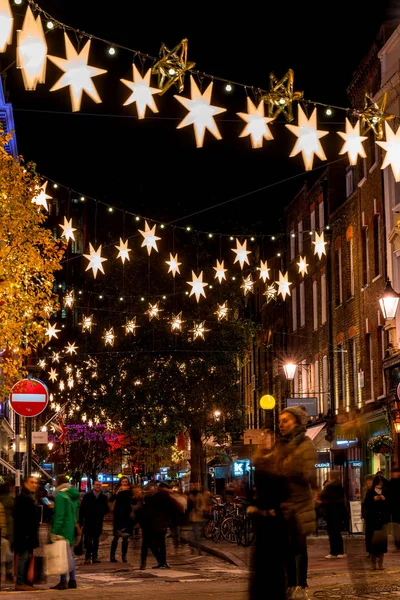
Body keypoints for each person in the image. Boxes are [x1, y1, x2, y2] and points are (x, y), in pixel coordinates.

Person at [276, 406, 317, 600]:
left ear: (298, 422)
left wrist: (285, 468)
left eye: (286, 420)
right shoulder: (281, 445)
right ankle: (290, 584)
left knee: (299, 547)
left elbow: (306, 473)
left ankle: (301, 585)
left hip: (300, 504)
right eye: (280, 421)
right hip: (285, 505)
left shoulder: (305, 444)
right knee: (287, 547)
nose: (281, 424)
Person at [249, 435, 288, 600]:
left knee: (274, 562)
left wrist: (275, 509)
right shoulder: (258, 464)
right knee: (263, 562)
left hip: (274, 518)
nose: (266, 440)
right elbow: (255, 490)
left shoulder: (278, 464)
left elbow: (282, 489)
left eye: (269, 437)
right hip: (264, 518)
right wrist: (253, 506)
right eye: (263, 437)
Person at [50, 476, 80, 590]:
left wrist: (54, 531)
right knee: (70, 555)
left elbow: (59, 516)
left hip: (63, 529)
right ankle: (72, 580)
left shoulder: (60, 496)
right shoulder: (73, 494)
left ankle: (63, 581)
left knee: (62, 555)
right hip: (71, 526)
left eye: (54, 481)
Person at [13, 475, 39, 591]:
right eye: (32, 482)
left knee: (26, 557)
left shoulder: (28, 496)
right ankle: (20, 582)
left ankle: (25, 581)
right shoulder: (23, 498)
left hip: (27, 533)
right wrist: (27, 533)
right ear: (25, 484)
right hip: (24, 534)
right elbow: (22, 517)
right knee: (23, 557)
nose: (34, 485)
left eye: (36, 482)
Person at [362, 474, 390, 570]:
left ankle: (381, 563)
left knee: (381, 543)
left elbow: (390, 505)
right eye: (378, 484)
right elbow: (365, 505)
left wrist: (384, 500)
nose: (379, 486)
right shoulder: (370, 492)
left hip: (382, 521)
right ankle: (373, 562)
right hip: (372, 521)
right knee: (372, 542)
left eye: (381, 484)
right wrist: (373, 500)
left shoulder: (386, 492)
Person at [79, 480, 109, 564]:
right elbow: (82, 509)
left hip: (98, 521)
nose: (98, 486)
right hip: (88, 521)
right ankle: (88, 557)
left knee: (96, 540)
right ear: (93, 485)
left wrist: (101, 511)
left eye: (99, 485)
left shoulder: (103, 497)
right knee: (88, 540)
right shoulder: (87, 496)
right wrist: (81, 521)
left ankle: (95, 556)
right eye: (96, 485)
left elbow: (106, 509)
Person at [319, 471, 346, 559]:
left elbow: (326, 497)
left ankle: (335, 551)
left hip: (332, 512)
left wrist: (322, 500)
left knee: (334, 532)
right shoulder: (337, 486)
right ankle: (337, 551)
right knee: (335, 532)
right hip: (334, 512)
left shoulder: (332, 486)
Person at [110, 477, 133, 563]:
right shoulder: (117, 490)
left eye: (126, 481)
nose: (124, 483)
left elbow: (134, 501)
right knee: (116, 537)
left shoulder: (130, 491)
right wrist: (118, 492)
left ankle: (124, 556)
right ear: (120, 482)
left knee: (126, 537)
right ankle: (112, 556)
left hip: (126, 516)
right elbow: (111, 499)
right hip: (118, 516)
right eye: (123, 481)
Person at [0, 481, 14, 582]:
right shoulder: (10, 500)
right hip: (8, 528)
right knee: (9, 552)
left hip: (3, 529)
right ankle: (8, 573)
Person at [388, 467, 400, 549]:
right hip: (394, 508)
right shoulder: (390, 483)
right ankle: (397, 542)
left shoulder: (390, 483)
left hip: (395, 507)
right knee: (395, 526)